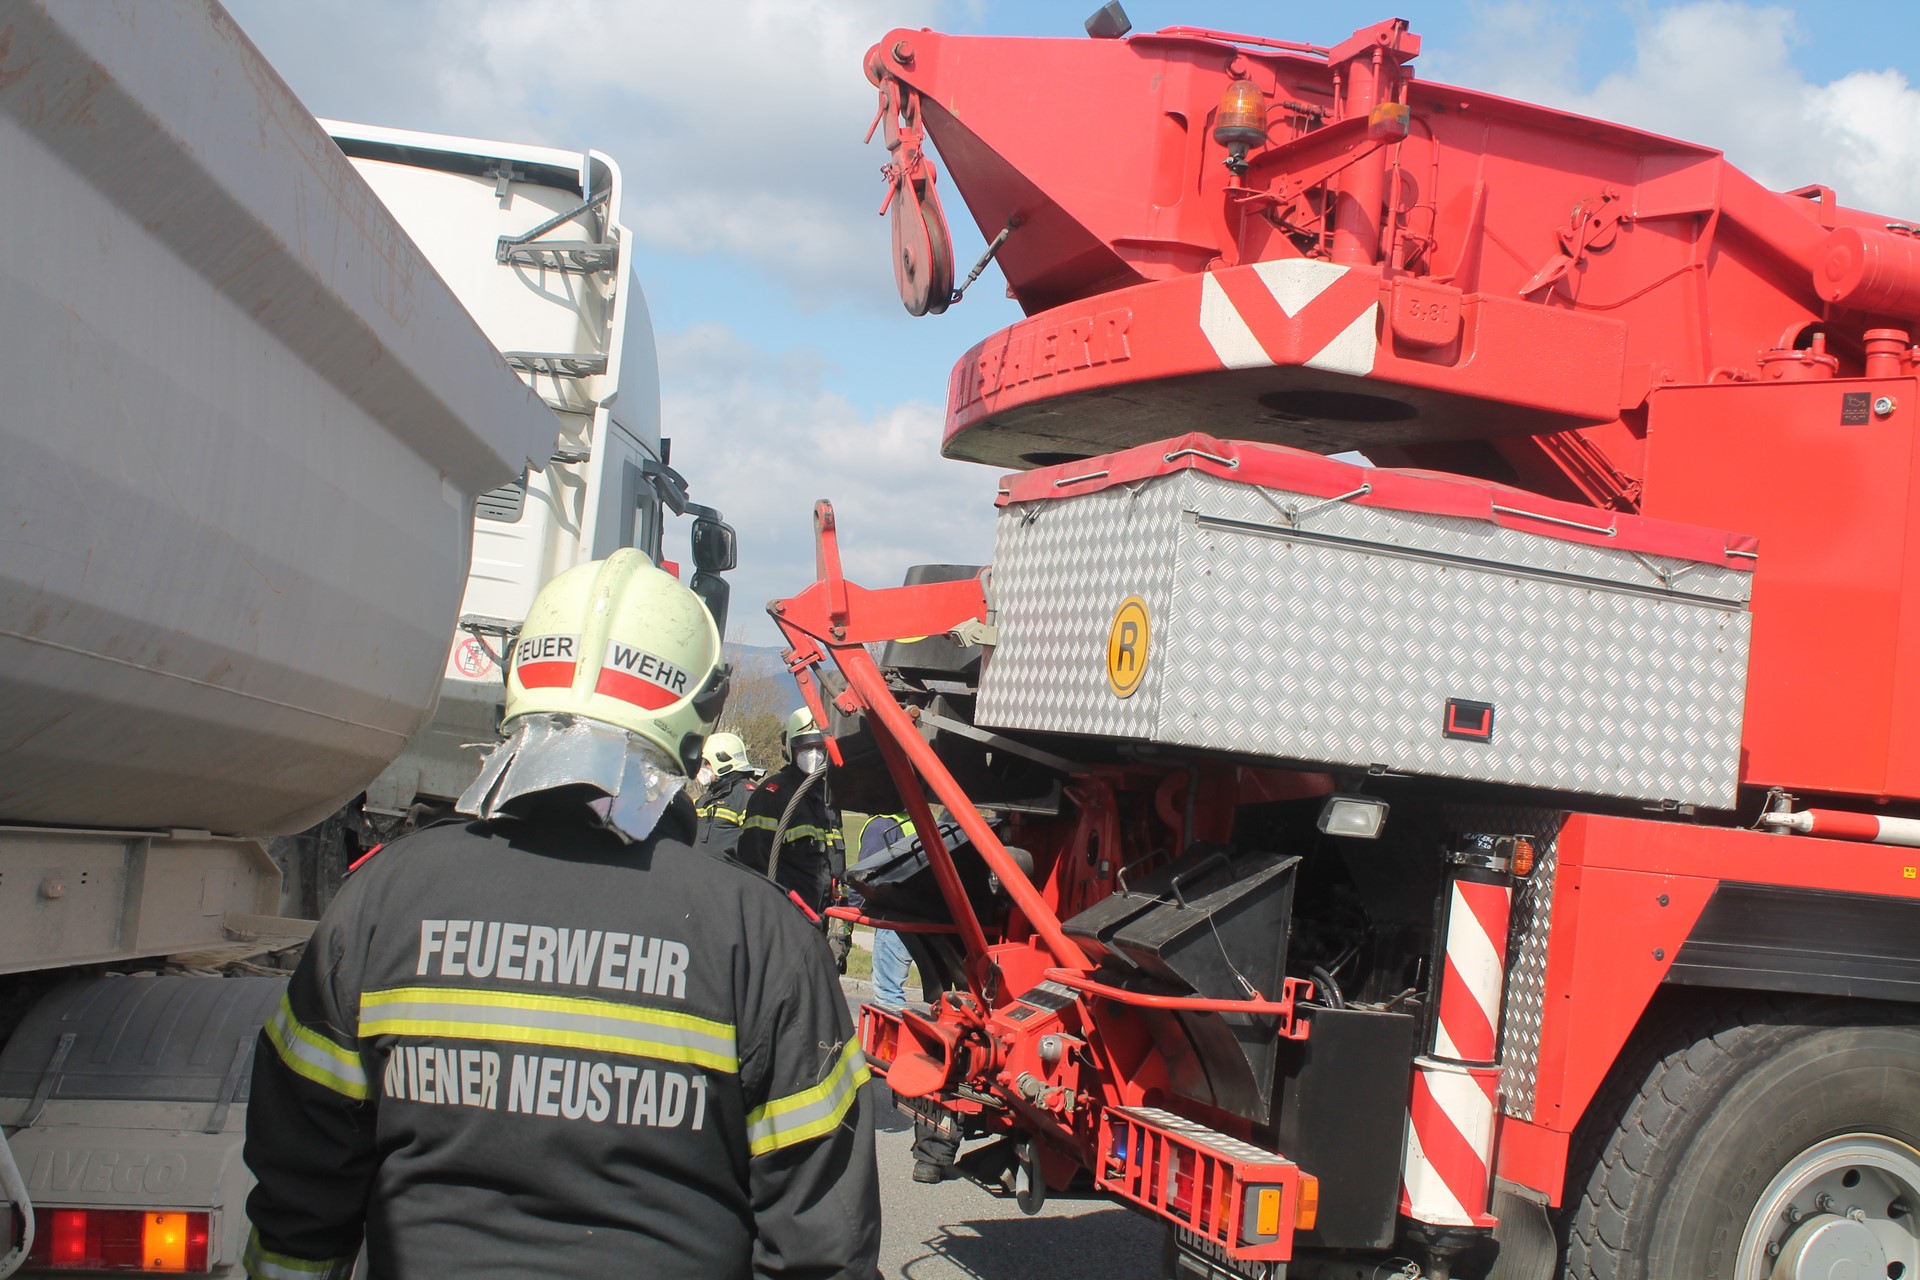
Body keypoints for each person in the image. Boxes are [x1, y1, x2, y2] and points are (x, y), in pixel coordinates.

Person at [242, 550, 879, 1280]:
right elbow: (822, 1243)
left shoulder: (382, 899)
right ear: (699, 716)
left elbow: (301, 1193)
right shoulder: (759, 936)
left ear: (518, 682)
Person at [734, 708, 847, 924]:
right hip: (787, 919)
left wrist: (841, 919)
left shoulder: (828, 797)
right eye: (805, 747)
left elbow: (838, 866)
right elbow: (754, 862)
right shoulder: (772, 794)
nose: (814, 754)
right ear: (790, 748)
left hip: (823, 919)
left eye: (820, 747)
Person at [693, 730, 755, 858]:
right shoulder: (709, 796)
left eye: (707, 763)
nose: (703, 767)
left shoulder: (746, 795)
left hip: (727, 870)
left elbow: (755, 843)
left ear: (723, 761)